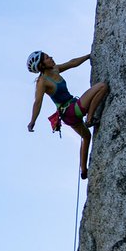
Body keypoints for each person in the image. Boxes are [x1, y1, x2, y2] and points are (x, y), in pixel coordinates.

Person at [25, 50, 108, 179]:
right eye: (47, 57)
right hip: (71, 109)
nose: (51, 57)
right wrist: (32, 121)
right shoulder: (42, 82)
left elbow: (72, 63)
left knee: (86, 137)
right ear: (41, 65)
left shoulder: (55, 69)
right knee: (102, 87)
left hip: (68, 115)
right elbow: (38, 102)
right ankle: (90, 118)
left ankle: (83, 170)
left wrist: (88, 56)